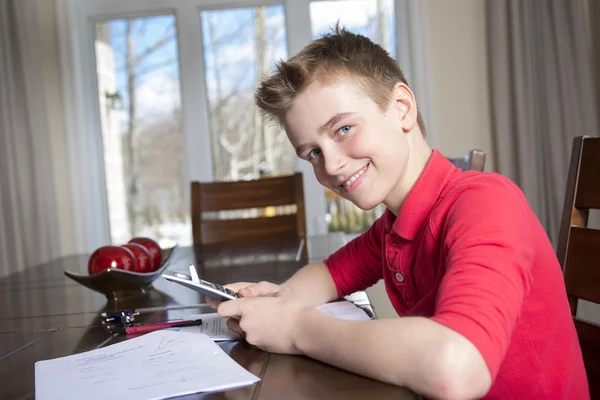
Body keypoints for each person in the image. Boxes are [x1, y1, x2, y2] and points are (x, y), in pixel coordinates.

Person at [209, 26, 588, 399]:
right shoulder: (395, 225)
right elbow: (330, 274)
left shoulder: (486, 203)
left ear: (401, 108)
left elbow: (458, 366)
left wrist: (296, 329)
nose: (332, 165)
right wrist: (279, 299)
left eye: (342, 129)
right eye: (313, 153)